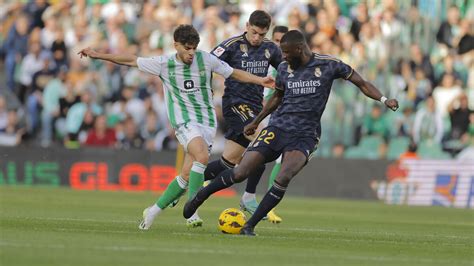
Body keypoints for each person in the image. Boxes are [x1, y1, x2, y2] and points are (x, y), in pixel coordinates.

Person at [183, 30, 399, 236]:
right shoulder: (285, 68)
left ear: (300, 48)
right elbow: (277, 97)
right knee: (241, 172)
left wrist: (383, 99)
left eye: (286, 52)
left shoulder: (328, 64)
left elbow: (360, 82)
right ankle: (201, 195)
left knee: (283, 176)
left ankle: (250, 225)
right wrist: (256, 122)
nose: (283, 56)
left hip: (305, 134)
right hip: (277, 128)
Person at [78, 24, 274, 230]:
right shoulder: (164, 64)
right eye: (187, 48)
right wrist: (98, 55)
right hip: (184, 122)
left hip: (206, 122)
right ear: (176, 45)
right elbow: (130, 60)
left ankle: (152, 212)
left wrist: (261, 80)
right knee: (202, 157)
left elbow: (234, 73)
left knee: (187, 176)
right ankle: (192, 211)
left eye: (194, 48)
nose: (191, 53)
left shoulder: (206, 59)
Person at [203, 10, 283, 220]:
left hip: (255, 109)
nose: (257, 38)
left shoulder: (270, 49)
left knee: (227, 161)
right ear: (247, 26)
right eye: (254, 32)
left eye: (262, 34)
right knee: (263, 141)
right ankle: (248, 196)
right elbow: (206, 63)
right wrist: (207, 89)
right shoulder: (231, 45)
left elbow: (285, 70)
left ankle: (187, 181)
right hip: (235, 104)